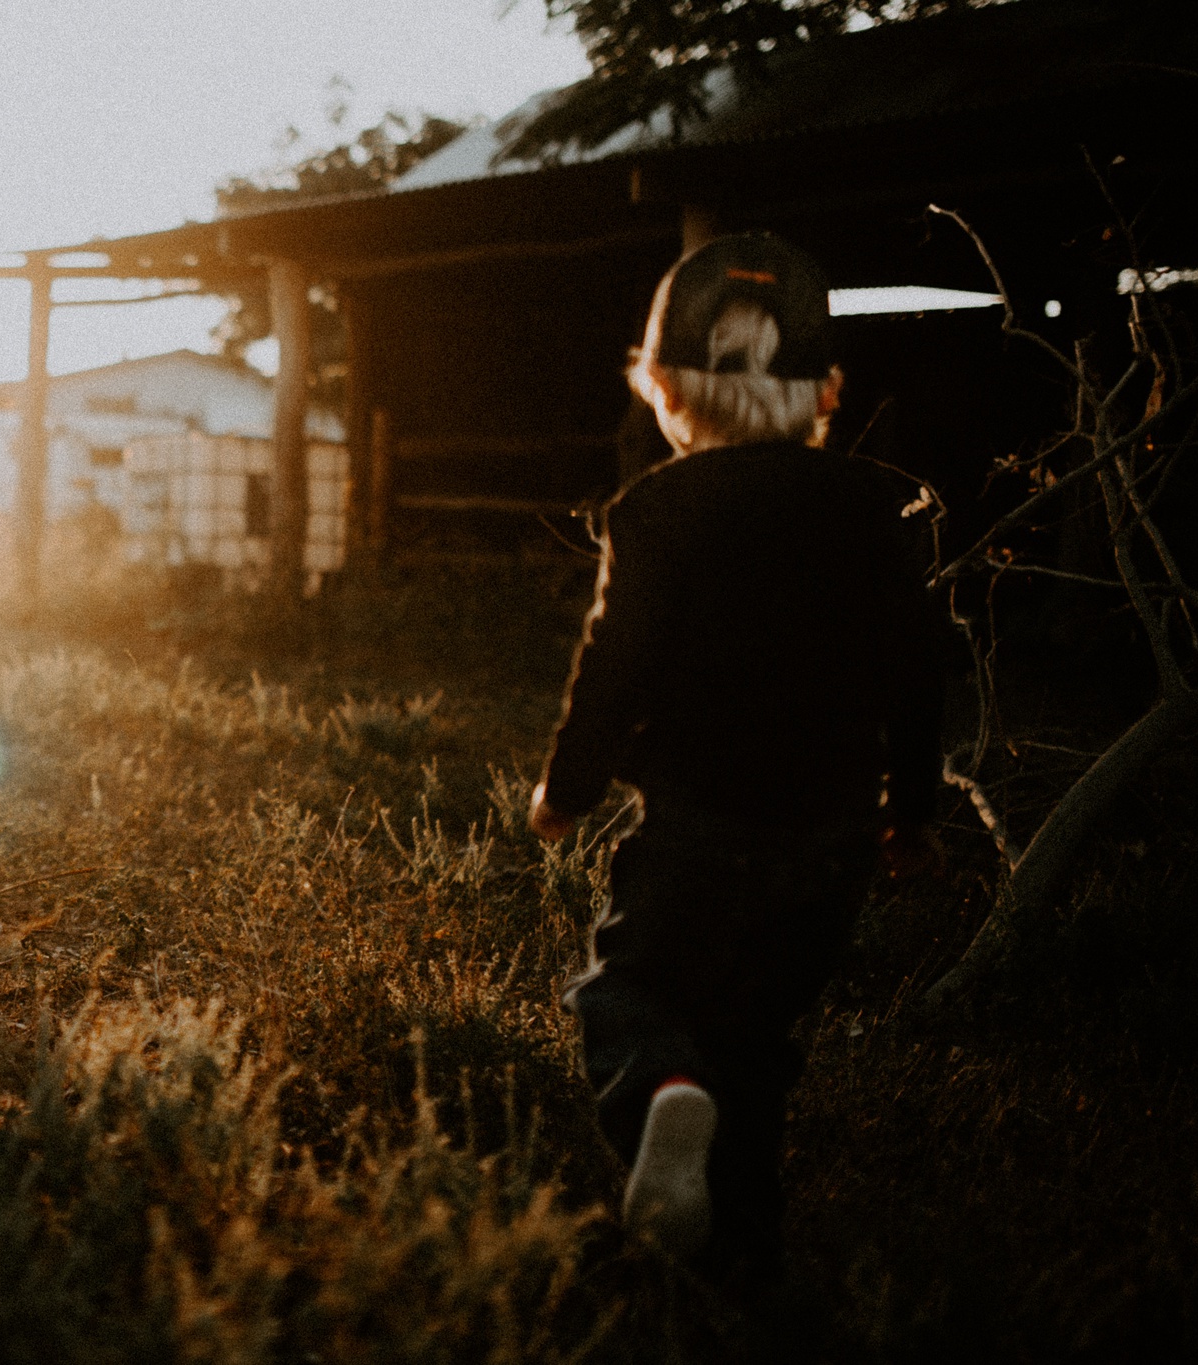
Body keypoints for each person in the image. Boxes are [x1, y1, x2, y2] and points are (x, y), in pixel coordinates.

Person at [527, 233, 944, 1286]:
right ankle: (740, 1247)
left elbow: (610, 665)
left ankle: (663, 1088)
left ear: (659, 385)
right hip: (832, 839)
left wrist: (565, 788)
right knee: (758, 1040)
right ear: (825, 393)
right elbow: (914, 666)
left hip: (696, 828)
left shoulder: (656, 509)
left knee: (623, 993)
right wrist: (913, 808)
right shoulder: (875, 505)